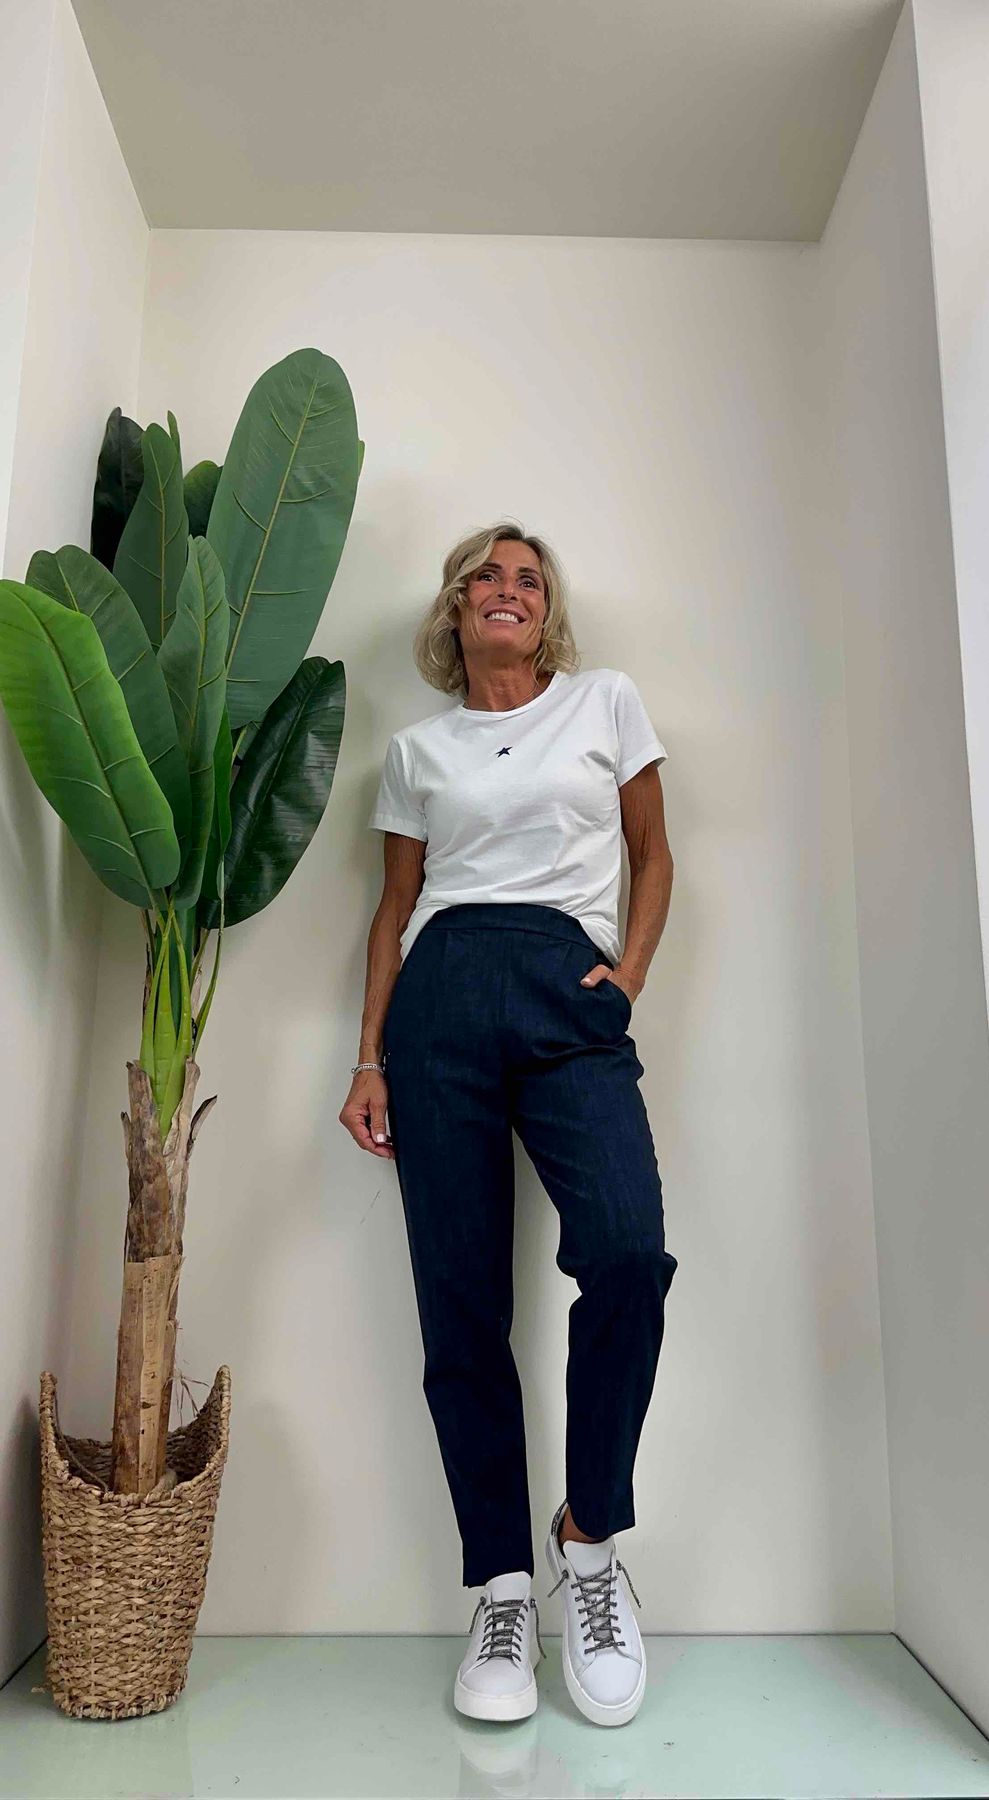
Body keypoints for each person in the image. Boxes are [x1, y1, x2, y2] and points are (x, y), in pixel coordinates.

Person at [341, 520, 678, 1730]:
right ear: (455, 606)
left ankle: (587, 1542)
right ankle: (499, 1584)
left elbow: (652, 854)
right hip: (438, 1005)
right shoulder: (416, 750)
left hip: (564, 988)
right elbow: (394, 909)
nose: (507, 589)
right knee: (460, 1302)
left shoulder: (603, 702)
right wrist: (370, 1055)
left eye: (528, 580)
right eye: (485, 574)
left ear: (547, 615)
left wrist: (624, 981)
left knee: (626, 1255)